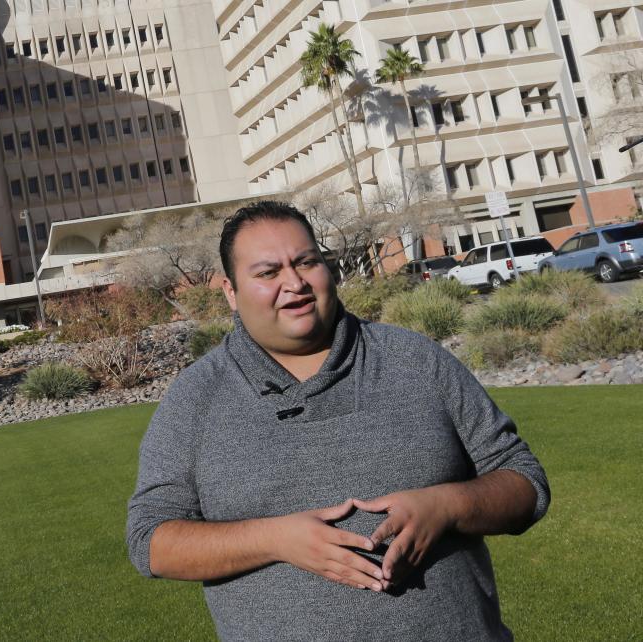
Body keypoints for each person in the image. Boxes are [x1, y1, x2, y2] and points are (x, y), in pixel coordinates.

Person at [126, 201, 549, 641]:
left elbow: (525, 484)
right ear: (231, 293)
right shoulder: (197, 397)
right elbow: (150, 541)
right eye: (268, 272)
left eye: (306, 262)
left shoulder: (414, 360)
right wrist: (275, 539)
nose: (294, 283)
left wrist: (446, 507)